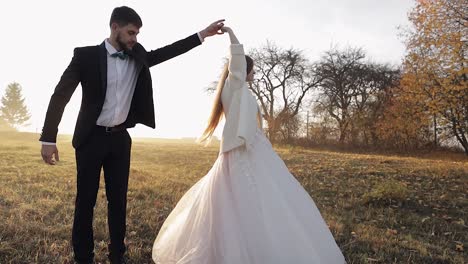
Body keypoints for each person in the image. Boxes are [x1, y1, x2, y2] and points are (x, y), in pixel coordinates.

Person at [39, 6, 225, 264]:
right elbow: (60, 95)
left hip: (119, 140)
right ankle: (84, 257)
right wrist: (48, 138)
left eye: (136, 34)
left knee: (118, 202)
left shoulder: (137, 55)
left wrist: (202, 34)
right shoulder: (85, 56)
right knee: (85, 202)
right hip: (90, 139)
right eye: (130, 32)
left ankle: (118, 256)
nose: (134, 38)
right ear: (114, 27)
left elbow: (167, 52)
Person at [152, 26, 346, 263]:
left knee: (261, 196)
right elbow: (236, 59)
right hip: (241, 152)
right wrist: (231, 34)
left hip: (252, 148)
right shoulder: (234, 86)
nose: (254, 73)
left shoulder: (239, 90)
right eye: (251, 69)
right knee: (247, 198)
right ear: (243, 70)